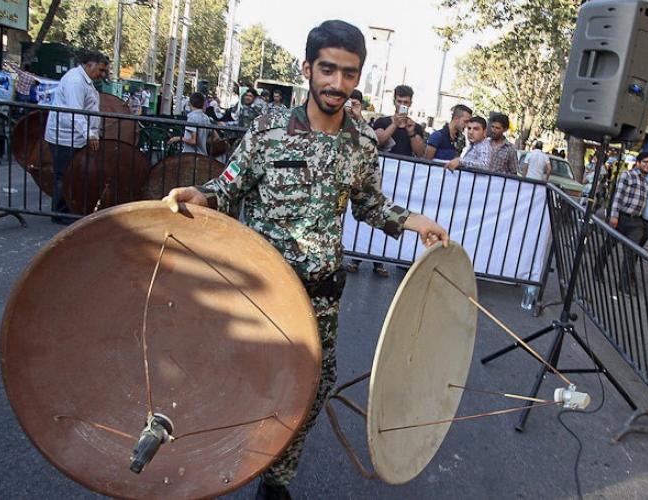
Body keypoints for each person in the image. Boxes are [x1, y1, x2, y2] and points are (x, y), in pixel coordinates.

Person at [162, 20, 448, 499]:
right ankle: (206, 467)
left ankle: (275, 481)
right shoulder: (267, 129)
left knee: (311, 391)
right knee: (237, 378)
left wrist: (413, 220)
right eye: (328, 70)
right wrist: (200, 194)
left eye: (349, 73)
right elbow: (227, 187)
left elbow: (370, 205)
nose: (337, 84)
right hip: (258, 293)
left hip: (320, 299)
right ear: (308, 69)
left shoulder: (360, 142)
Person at [43, 51, 108, 219]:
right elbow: (75, 113)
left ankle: (70, 208)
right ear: (89, 65)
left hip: (76, 136)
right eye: (100, 70)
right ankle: (60, 212)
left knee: (74, 174)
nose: (102, 74)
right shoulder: (75, 81)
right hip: (65, 137)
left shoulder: (86, 81)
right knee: (64, 175)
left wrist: (92, 133)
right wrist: (90, 134)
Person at [345, 88, 390, 278]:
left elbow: (371, 204)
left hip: (323, 271)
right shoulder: (271, 128)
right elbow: (240, 170)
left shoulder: (363, 140)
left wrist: (416, 223)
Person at [596, 151, 648, 291]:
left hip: (636, 222)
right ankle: (597, 271)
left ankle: (624, 284)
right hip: (621, 217)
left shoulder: (646, 183)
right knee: (609, 245)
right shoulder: (626, 176)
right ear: (638, 163)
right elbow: (618, 197)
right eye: (645, 162)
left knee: (631, 252)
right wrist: (614, 216)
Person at [372, 85, 425, 156]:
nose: (402, 105)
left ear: (410, 104)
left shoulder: (415, 127)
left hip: (405, 165)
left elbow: (420, 154)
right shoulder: (382, 122)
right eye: (399, 101)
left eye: (405, 102)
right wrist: (394, 125)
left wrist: (412, 133)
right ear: (394, 102)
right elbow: (376, 143)